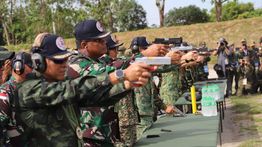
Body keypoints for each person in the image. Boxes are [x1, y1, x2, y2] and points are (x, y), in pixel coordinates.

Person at [15, 33, 151, 146]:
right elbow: (73, 88)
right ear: (39, 62)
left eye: (65, 59)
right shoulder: (28, 89)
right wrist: (120, 75)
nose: (64, 64)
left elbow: (94, 98)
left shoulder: (62, 83)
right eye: (58, 61)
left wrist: (128, 85)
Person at [0, 52, 33, 146]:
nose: (33, 70)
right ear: (19, 66)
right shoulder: (5, 92)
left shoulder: (32, 87)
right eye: (30, 67)